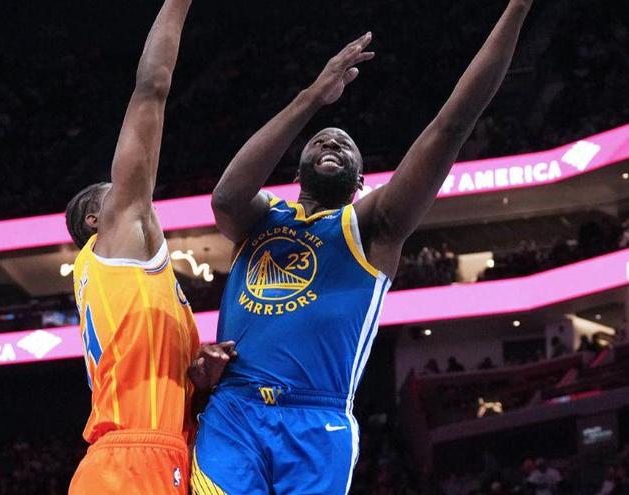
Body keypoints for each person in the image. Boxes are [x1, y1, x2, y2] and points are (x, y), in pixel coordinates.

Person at [194, 1, 534, 493]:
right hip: (235, 412)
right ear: (297, 170)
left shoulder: (373, 228)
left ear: (360, 181)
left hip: (316, 422)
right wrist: (312, 98)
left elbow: (452, 125)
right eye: (321, 141)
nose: (332, 144)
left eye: (345, 146)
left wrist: (518, 7)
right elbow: (225, 197)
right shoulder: (259, 218)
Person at [64, 1, 235, 493]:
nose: (128, 191)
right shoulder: (118, 237)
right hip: (131, 463)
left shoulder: (133, 282)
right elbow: (151, 89)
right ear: (96, 220)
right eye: (113, 191)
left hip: (152, 456)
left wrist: (198, 377)